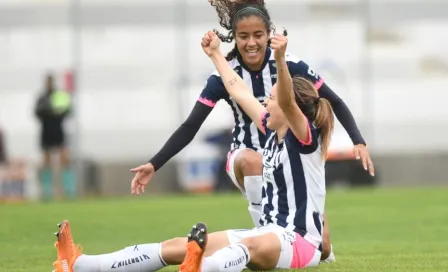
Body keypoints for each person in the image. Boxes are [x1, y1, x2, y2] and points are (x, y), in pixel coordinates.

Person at [51, 31, 333, 272]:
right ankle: (79, 264)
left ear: (286, 107)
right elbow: (239, 91)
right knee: (178, 246)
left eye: (270, 99)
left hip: (299, 243)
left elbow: (284, 99)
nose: (265, 102)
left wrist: (280, 59)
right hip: (268, 234)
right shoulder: (271, 131)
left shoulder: (303, 138)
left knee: (248, 245)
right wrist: (216, 56)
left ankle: (202, 267)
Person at [131, 0, 373, 260]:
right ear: (233, 38)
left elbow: (333, 100)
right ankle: (263, 239)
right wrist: (155, 164)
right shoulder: (223, 77)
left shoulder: (290, 64)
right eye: (243, 36)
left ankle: (277, 243)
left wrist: (358, 140)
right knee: (252, 160)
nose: (251, 43)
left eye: (258, 35)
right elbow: (191, 126)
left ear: (269, 34)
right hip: (244, 156)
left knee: (322, 249)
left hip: (289, 160)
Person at [34, 73, 75, 200]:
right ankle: (47, 192)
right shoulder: (42, 97)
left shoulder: (60, 96)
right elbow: (37, 112)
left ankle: (68, 191)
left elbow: (68, 110)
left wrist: (56, 112)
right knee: (46, 161)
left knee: (64, 159)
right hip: (46, 132)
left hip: (58, 131)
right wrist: (49, 111)